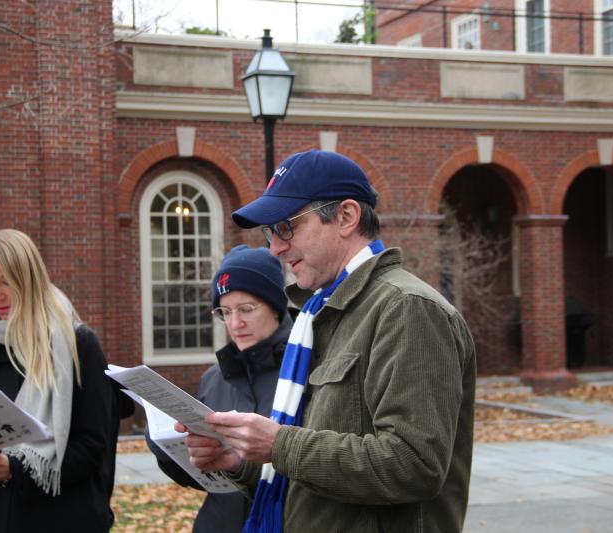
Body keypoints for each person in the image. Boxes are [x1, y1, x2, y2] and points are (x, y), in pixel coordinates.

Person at [180, 150, 477, 532]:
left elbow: (414, 465)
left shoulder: (406, 309)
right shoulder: (320, 314)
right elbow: (314, 488)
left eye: (286, 227)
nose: (275, 248)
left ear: (347, 217)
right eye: (271, 233)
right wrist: (240, 463)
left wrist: (280, 445)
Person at [0, 229, 116, 532]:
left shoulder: (76, 345)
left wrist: (17, 469)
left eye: (7, 283)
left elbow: (93, 448)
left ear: (30, 280)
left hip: (56, 518)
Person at [146, 245, 292, 533]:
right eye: (224, 312)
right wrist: (168, 449)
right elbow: (206, 478)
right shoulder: (214, 378)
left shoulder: (306, 369)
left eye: (246, 309)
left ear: (275, 305)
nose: (235, 323)